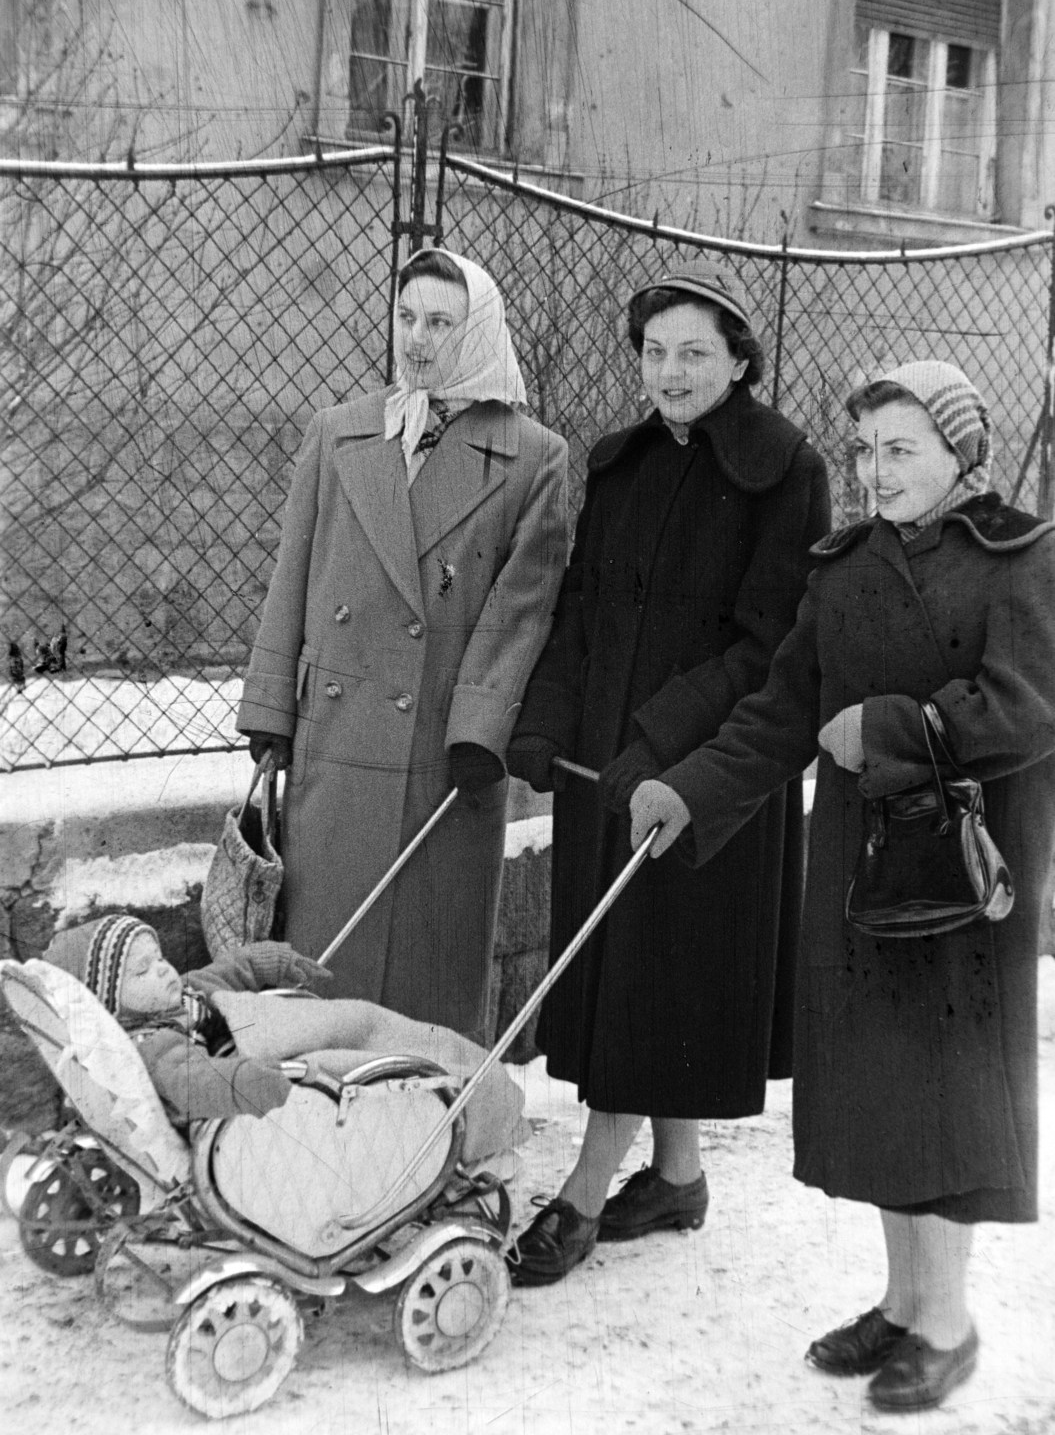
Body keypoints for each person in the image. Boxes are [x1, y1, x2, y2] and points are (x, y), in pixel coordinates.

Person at [629, 360, 1055, 1412]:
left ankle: (948, 1322)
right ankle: (905, 1302)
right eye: (865, 450)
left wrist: (893, 728)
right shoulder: (843, 568)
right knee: (879, 1090)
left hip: (966, 867)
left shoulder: (1021, 558)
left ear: (962, 454)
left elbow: (1026, 703)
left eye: (900, 449)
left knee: (946, 1091)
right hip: (862, 867)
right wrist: (686, 790)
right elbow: (781, 710)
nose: (873, 472)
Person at [504, 261, 831, 1285]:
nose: (670, 371)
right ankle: (677, 1174)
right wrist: (543, 723)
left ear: (739, 360)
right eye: (653, 352)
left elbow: (767, 638)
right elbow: (581, 609)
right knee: (638, 971)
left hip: (714, 768)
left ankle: (586, 1190)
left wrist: (660, 737)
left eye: (694, 352)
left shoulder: (787, 469)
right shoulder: (617, 461)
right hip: (608, 758)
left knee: (656, 971)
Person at [236, 249, 568, 1041]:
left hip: (443, 757)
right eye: (406, 317)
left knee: (428, 967)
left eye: (441, 323)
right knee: (326, 957)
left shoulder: (532, 457)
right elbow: (295, 576)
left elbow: (522, 611)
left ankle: (426, 1139)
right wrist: (269, 708)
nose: (417, 339)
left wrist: (478, 734)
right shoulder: (339, 432)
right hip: (336, 740)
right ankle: (316, 1128)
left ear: (478, 330)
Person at [42, 914, 527, 1165]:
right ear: (112, 1002)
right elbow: (198, 1083)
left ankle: (486, 1089)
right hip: (280, 1071)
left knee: (364, 1021)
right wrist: (268, 1080)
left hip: (280, 1039)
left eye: (160, 956)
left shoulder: (182, 995)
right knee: (373, 1053)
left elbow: (226, 972)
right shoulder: (156, 1044)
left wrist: (269, 962)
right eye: (143, 971)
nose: (164, 970)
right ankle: (480, 1107)